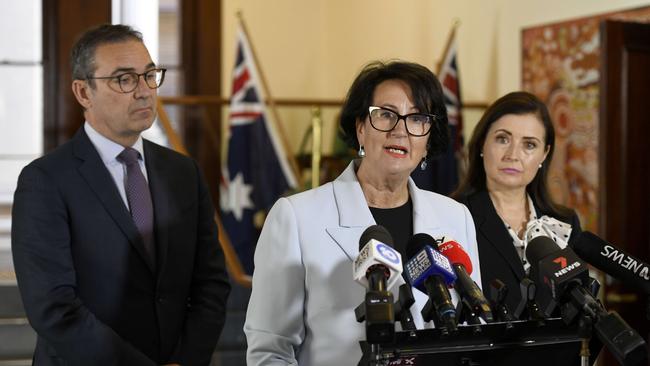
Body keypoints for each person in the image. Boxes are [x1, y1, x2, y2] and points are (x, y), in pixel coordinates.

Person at [11, 24, 230, 366]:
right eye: (124, 79)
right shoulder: (45, 181)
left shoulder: (183, 172)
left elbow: (212, 284)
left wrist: (186, 359)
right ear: (84, 93)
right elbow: (54, 309)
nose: (144, 91)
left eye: (149, 75)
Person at [244, 61, 482, 366]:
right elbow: (269, 351)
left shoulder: (455, 217)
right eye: (385, 114)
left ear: (427, 140)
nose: (400, 130)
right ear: (360, 128)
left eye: (417, 118)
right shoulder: (295, 217)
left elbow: (471, 332)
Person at [453, 91, 581, 317]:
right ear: (482, 143)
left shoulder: (565, 221)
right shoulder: (452, 215)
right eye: (502, 139)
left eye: (529, 145)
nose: (513, 154)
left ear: (544, 154)